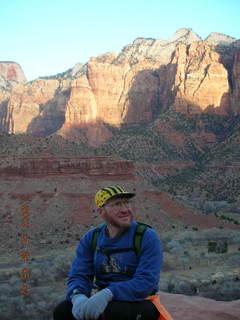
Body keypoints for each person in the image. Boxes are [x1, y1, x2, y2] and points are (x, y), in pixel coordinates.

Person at [53, 185, 170, 320]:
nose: (125, 209)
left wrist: (109, 293)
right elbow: (80, 274)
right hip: (104, 299)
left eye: (127, 203)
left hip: (141, 300)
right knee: (63, 311)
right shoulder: (92, 238)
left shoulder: (145, 236)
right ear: (101, 211)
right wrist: (78, 296)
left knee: (116, 311)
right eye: (116, 205)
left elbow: (146, 281)